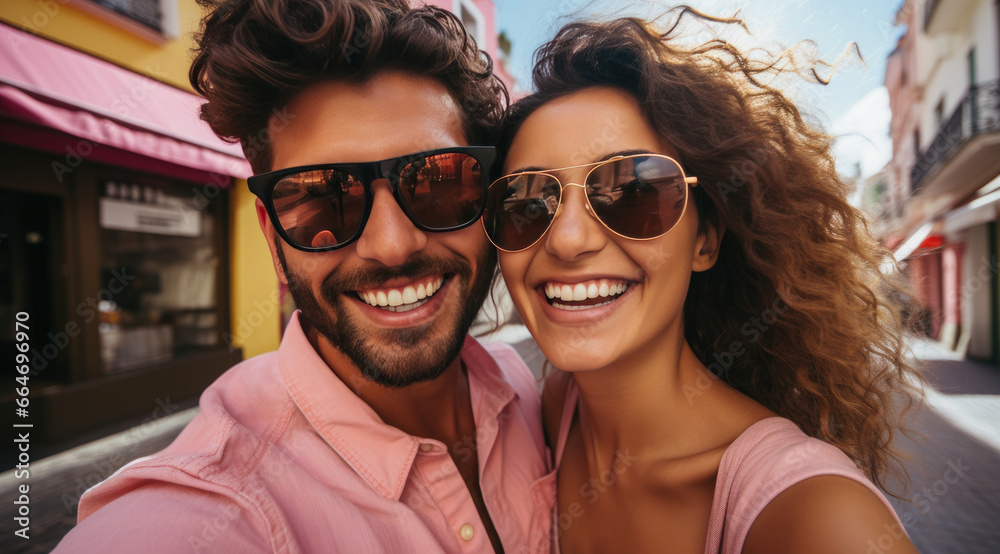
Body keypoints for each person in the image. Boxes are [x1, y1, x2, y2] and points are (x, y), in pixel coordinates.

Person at [53, 1, 553, 552]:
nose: (391, 246)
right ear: (273, 237)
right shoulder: (210, 512)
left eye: (438, 182)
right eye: (322, 198)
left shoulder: (522, 387)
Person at [482, 9, 921, 554]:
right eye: (527, 201)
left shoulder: (820, 519)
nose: (568, 240)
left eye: (633, 190)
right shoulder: (555, 412)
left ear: (705, 240)